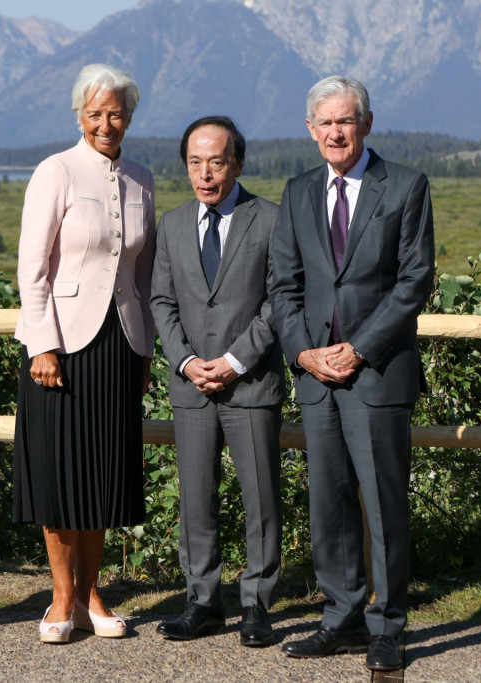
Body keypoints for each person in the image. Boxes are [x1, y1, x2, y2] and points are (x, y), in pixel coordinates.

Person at [269, 75, 434, 672]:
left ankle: (387, 624)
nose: (335, 132)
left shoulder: (407, 186)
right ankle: (339, 618)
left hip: (378, 372)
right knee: (329, 502)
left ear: (366, 123)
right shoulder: (298, 191)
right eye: (325, 123)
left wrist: (358, 349)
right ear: (310, 130)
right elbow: (282, 286)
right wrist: (304, 353)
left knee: (384, 503)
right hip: (316, 376)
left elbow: (415, 280)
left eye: (346, 120)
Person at [12, 63, 155, 644]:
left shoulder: (143, 177)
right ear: (79, 116)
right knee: (58, 473)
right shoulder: (57, 171)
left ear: (129, 116)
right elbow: (32, 265)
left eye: (115, 112)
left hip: (121, 343)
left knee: (103, 474)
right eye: (95, 113)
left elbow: (143, 278)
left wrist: (144, 349)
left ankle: (95, 594)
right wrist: (42, 343)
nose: (106, 123)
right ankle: (61, 597)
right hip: (62, 346)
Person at [150, 116, 284, 647]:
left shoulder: (271, 220)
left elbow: (279, 301)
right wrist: (185, 361)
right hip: (190, 386)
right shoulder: (173, 223)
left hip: (249, 385)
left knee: (261, 499)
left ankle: (257, 605)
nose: (205, 174)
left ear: (239, 162)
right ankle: (203, 601)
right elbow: (162, 302)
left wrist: (233, 360)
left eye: (217, 161)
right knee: (196, 499)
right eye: (195, 162)